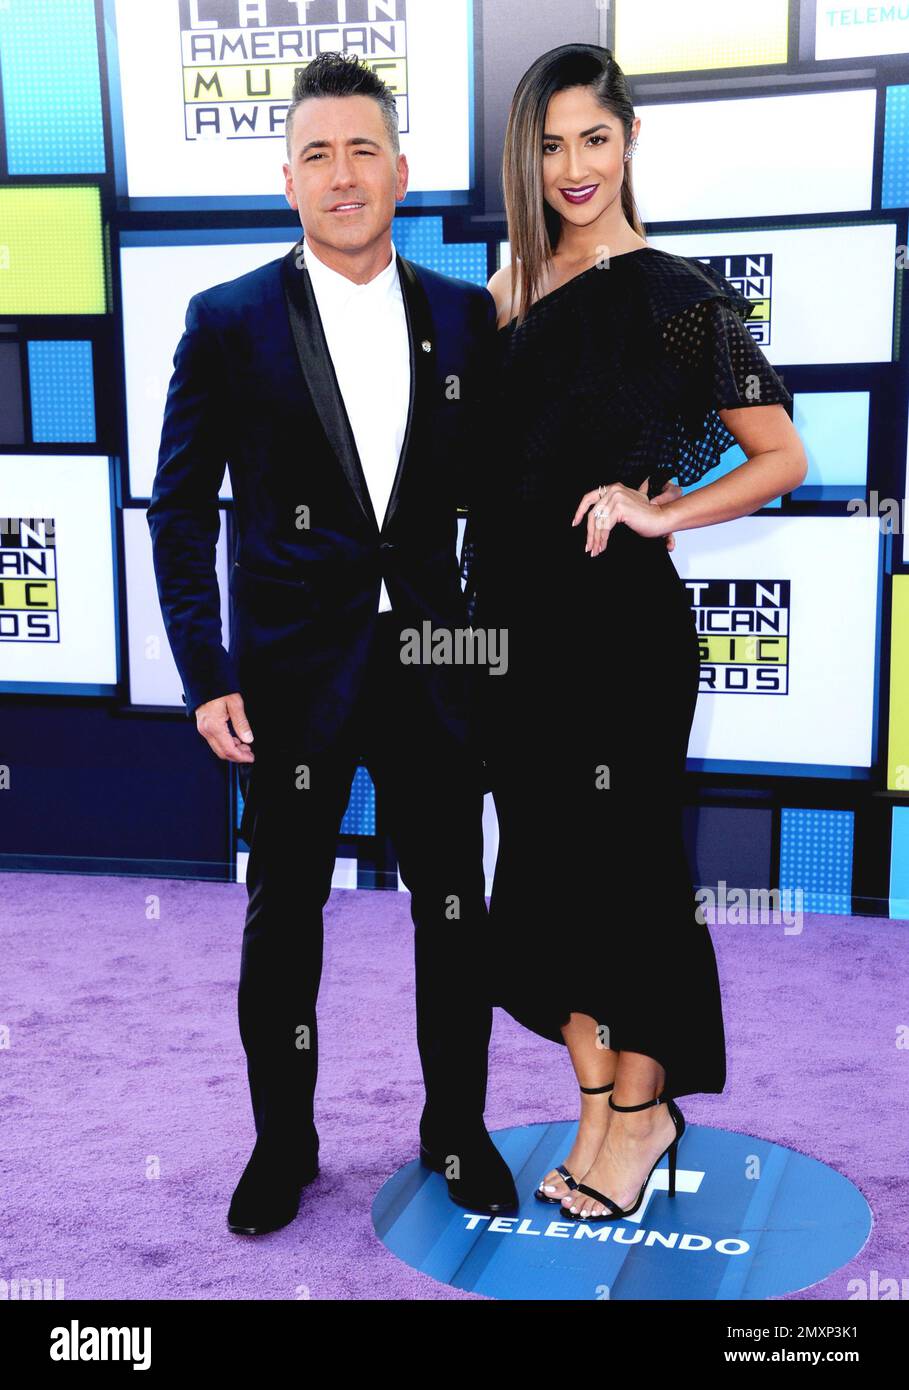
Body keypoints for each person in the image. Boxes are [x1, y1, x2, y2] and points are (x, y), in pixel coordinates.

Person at [147, 52, 517, 1235]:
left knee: (453, 906)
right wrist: (206, 673)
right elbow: (180, 508)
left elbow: (505, 499)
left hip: (437, 674)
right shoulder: (227, 321)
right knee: (284, 918)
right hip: (290, 681)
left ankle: (455, 1131)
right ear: (288, 180)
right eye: (318, 154)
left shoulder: (467, 318)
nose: (343, 173)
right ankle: (284, 1143)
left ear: (402, 171)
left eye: (364, 150)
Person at [463, 43, 807, 1223]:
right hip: (511, 643)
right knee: (551, 882)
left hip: (619, 642)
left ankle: (641, 1114)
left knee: (631, 884)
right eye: (550, 144)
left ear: (630, 142)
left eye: (594, 139)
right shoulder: (504, 296)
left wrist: (661, 506)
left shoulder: (676, 297)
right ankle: (606, 1104)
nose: (573, 166)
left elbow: (781, 455)